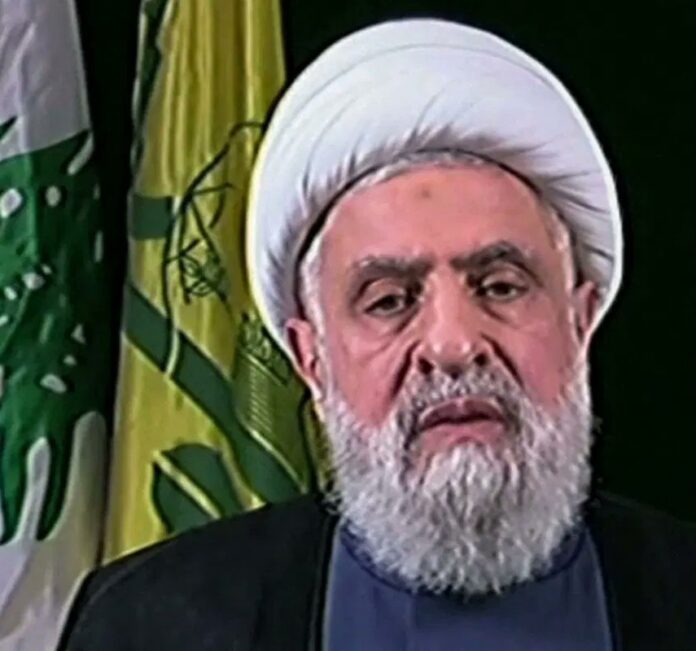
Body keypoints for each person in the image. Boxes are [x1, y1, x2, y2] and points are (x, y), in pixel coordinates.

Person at [59, 18, 696, 651]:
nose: (452, 345)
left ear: (580, 322)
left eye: (500, 287)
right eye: (390, 301)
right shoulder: (145, 624)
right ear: (312, 362)